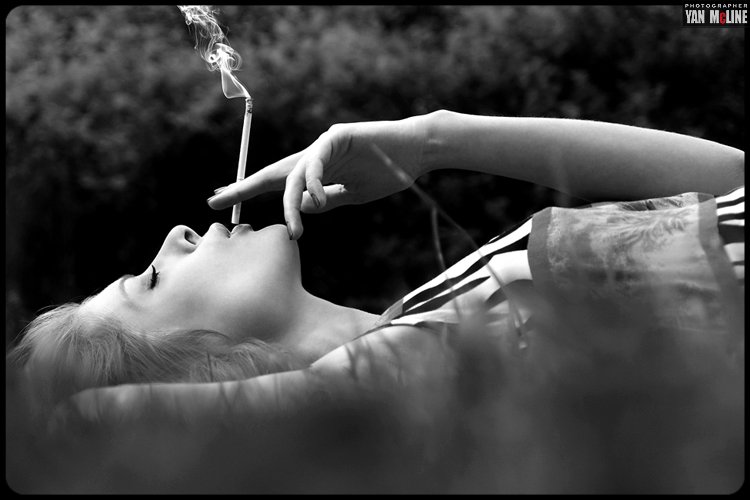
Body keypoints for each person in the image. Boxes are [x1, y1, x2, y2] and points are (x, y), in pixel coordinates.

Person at [7, 110, 744, 427]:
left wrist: (431, 141)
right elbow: (88, 421)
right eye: (150, 281)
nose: (173, 235)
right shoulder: (401, 381)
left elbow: (733, 184)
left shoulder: (436, 310)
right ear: (202, 375)